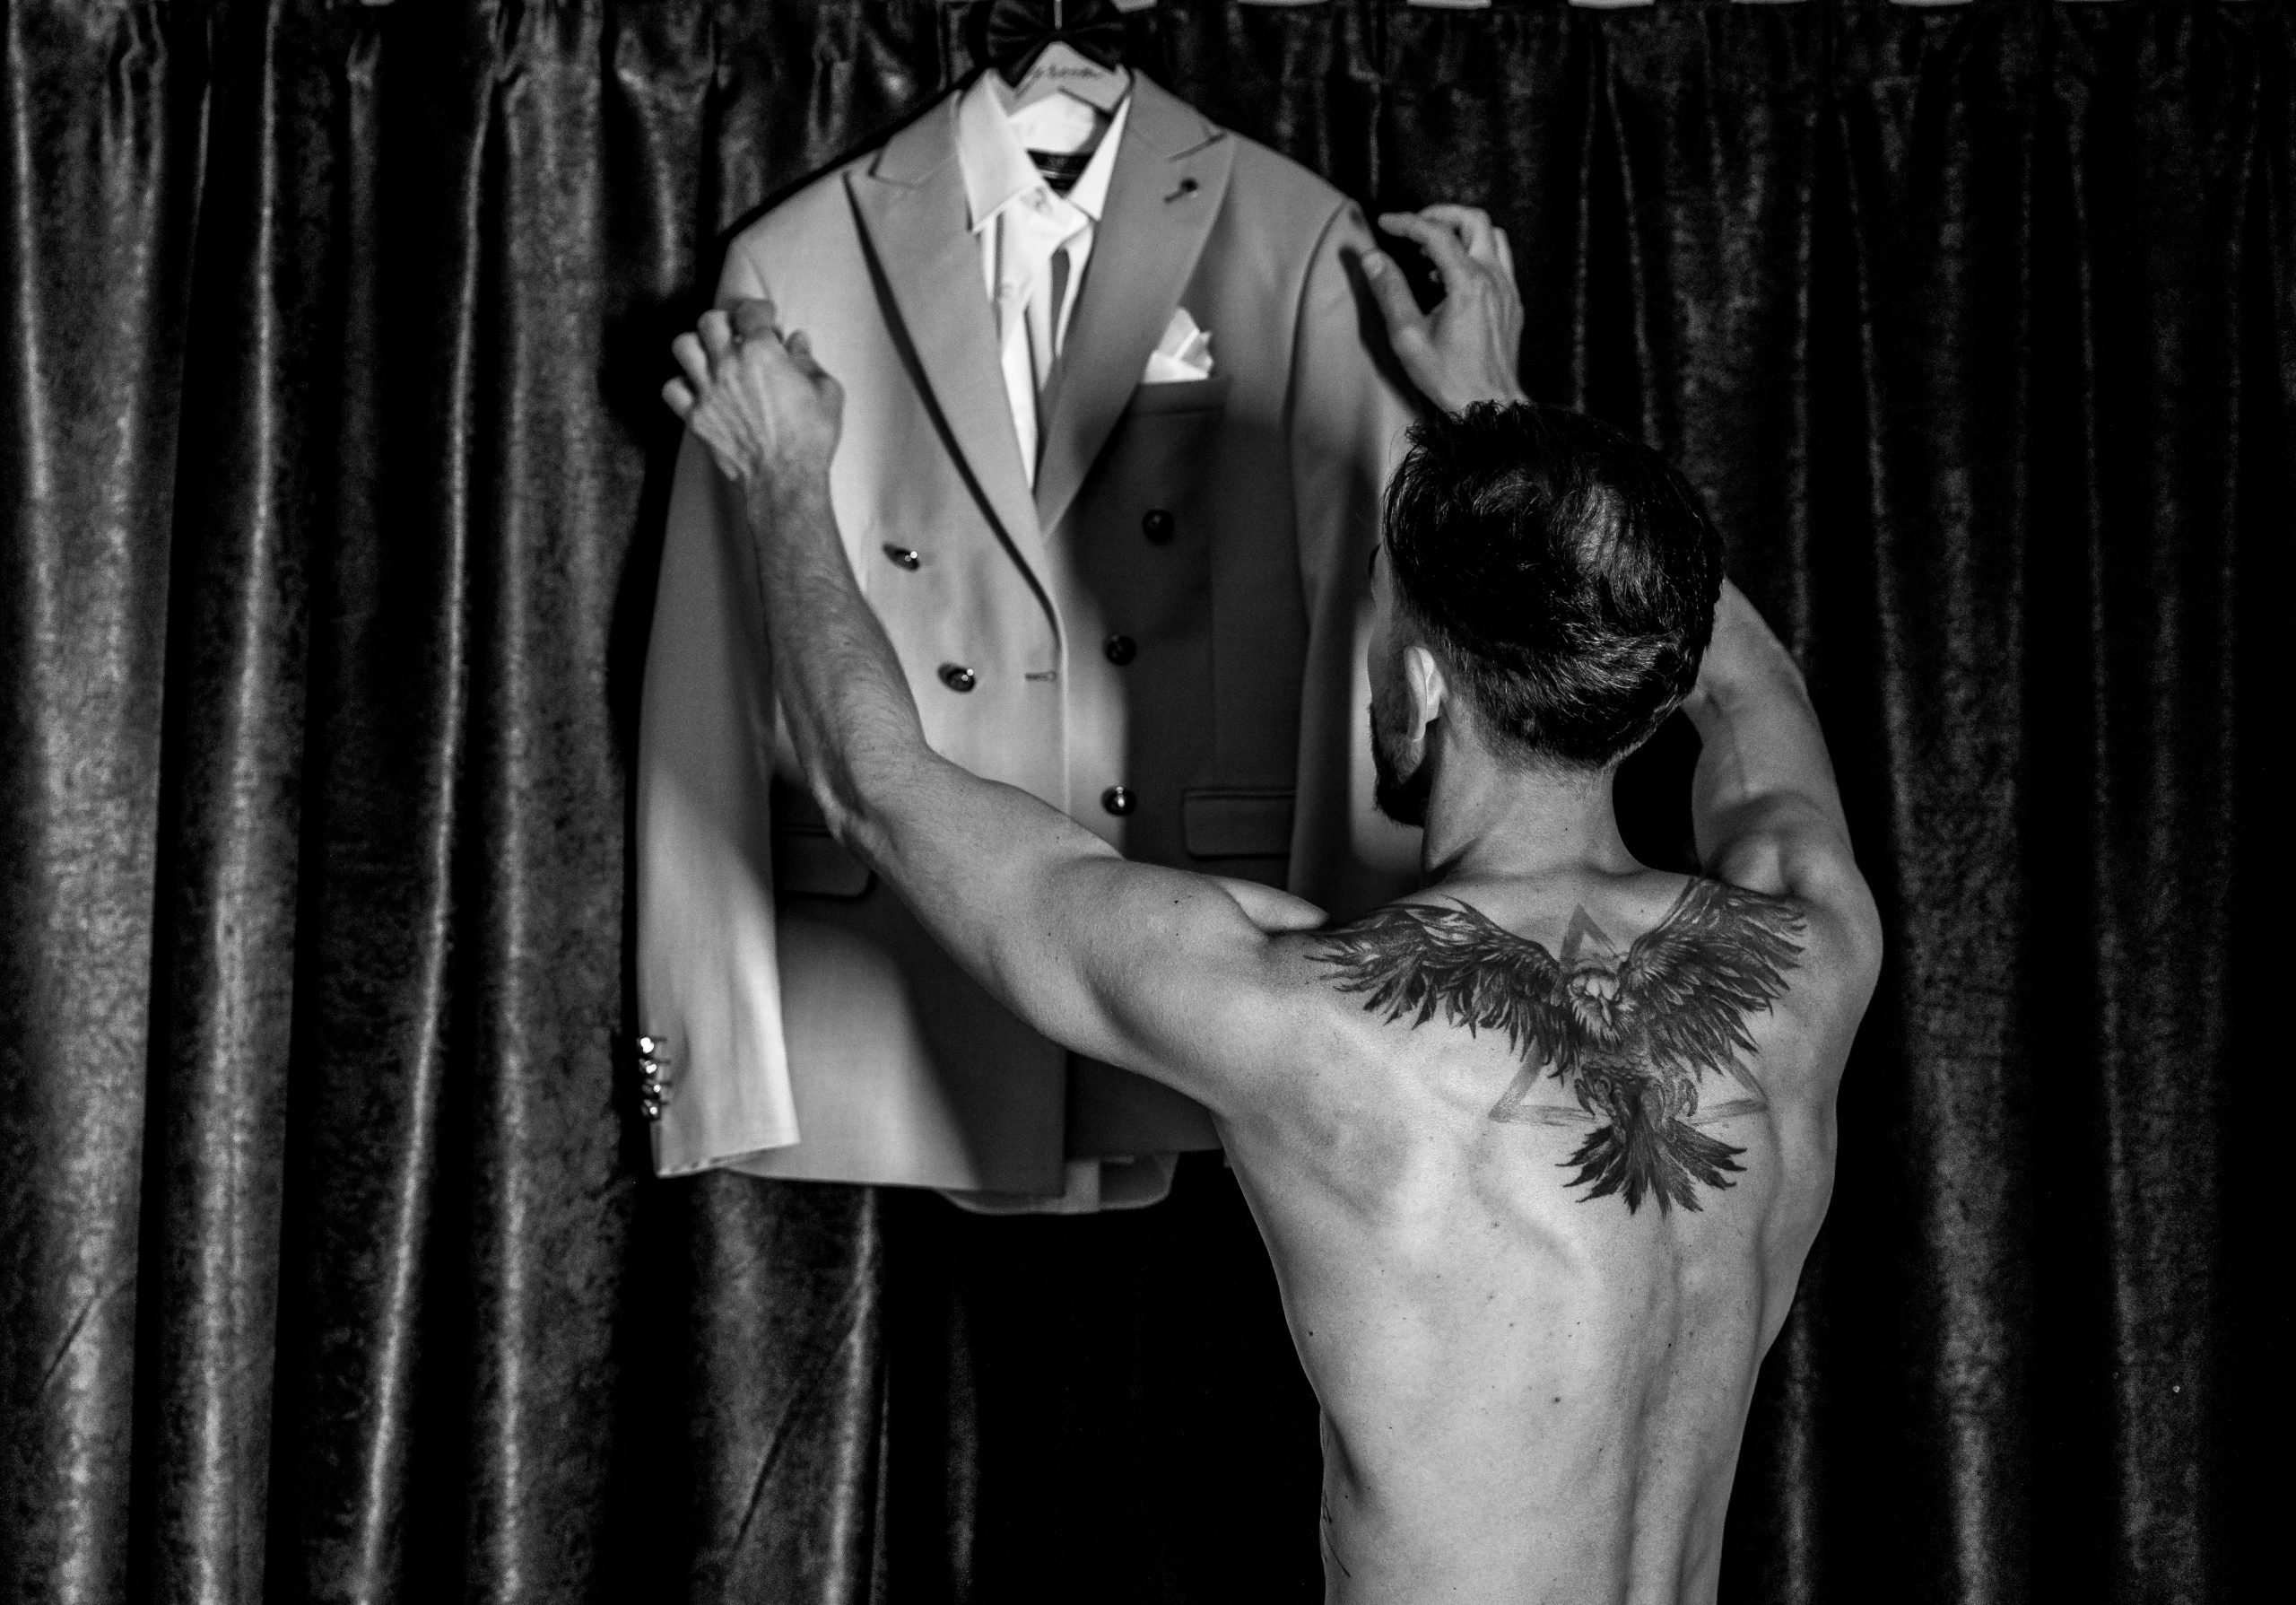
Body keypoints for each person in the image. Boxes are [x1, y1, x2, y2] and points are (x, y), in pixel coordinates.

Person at [661, 205, 1883, 1602]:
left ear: (1417, 681)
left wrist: (781, 470)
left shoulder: (1306, 1018)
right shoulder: (1809, 951)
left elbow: (875, 784)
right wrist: (1501, 411)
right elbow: (1753, 686)